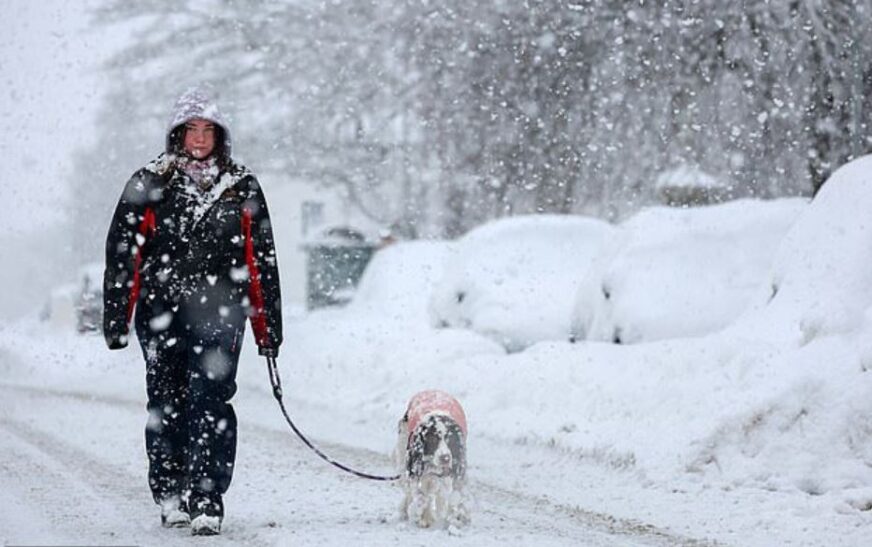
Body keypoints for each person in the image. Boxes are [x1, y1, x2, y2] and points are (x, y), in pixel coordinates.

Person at [103, 88, 282, 536]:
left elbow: (261, 260)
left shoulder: (241, 185)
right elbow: (124, 254)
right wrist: (116, 317)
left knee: (211, 400)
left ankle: (206, 497)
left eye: (208, 130)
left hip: (222, 314)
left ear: (220, 136)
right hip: (160, 312)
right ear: (176, 134)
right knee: (167, 401)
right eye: (191, 130)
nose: (199, 138)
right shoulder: (149, 182)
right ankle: (169, 492)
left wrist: (268, 328)